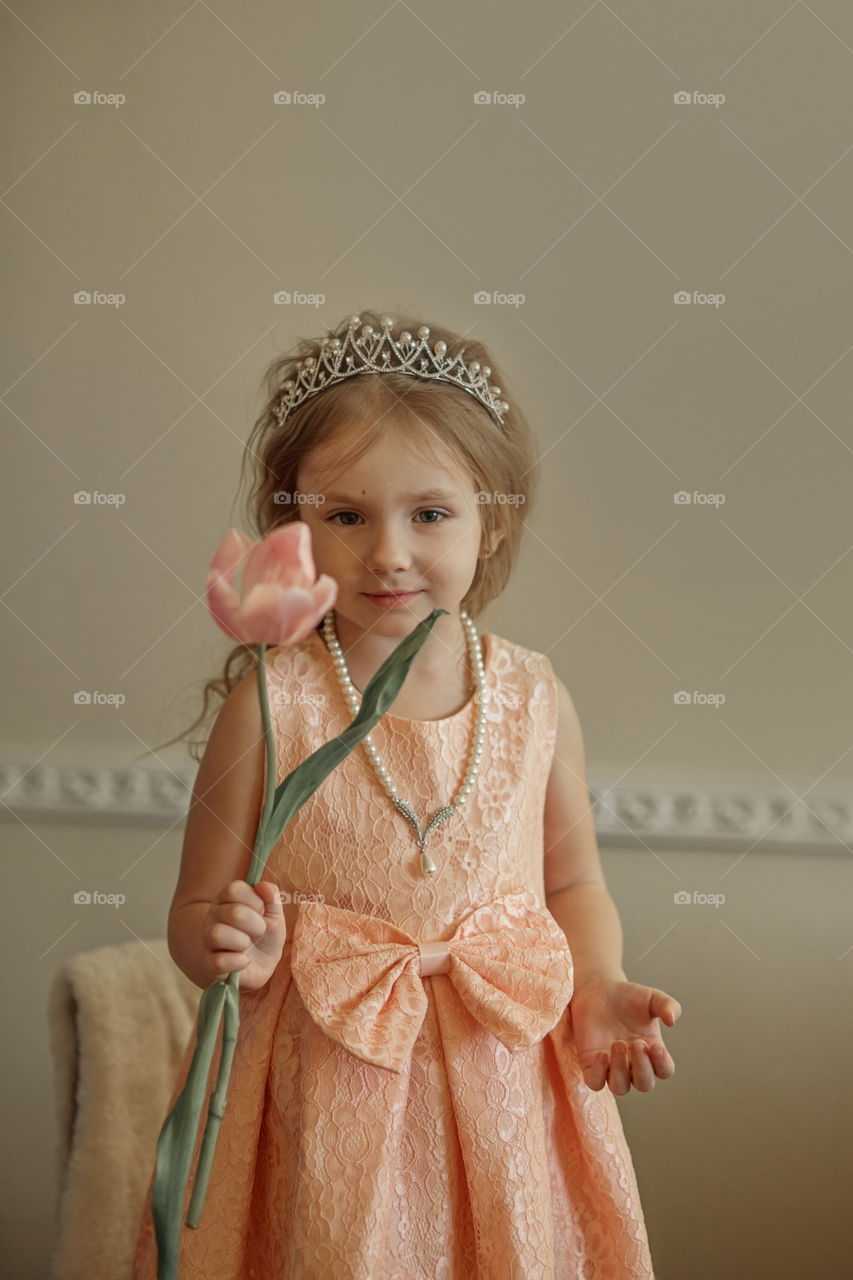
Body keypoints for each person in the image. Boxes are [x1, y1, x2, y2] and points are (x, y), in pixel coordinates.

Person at [131, 309, 680, 1279]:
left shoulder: (532, 696)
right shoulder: (272, 701)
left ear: (490, 519)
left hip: (504, 1098)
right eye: (346, 515)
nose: (388, 551)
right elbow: (192, 912)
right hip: (320, 1104)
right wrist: (231, 943)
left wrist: (594, 986)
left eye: (429, 514)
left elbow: (575, 883)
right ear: (294, 529)